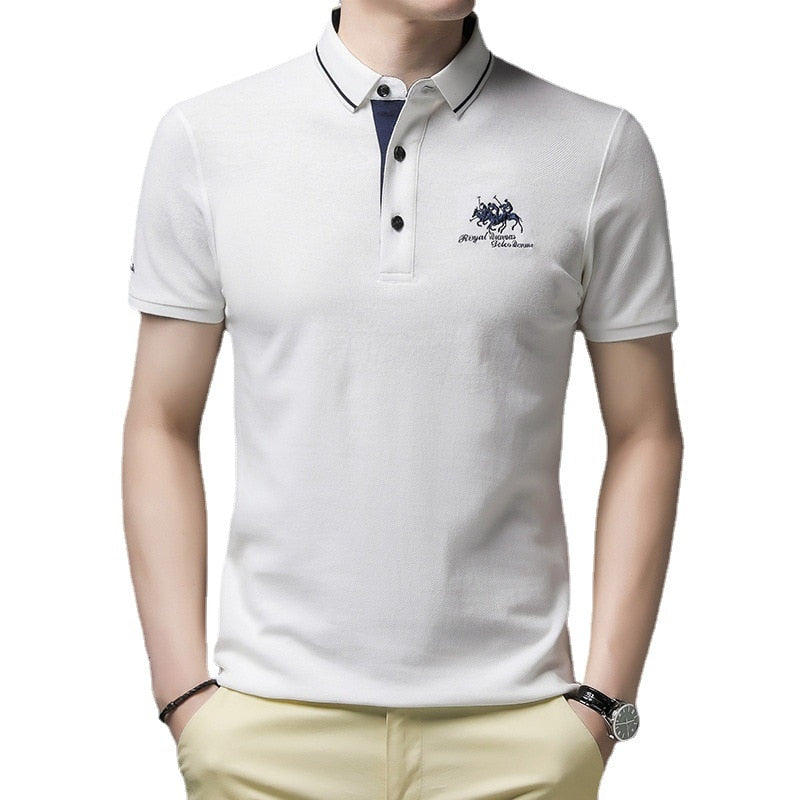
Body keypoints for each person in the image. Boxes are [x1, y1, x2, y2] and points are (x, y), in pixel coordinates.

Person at [121, 1, 683, 798]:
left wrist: (602, 706)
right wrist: (185, 699)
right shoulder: (207, 139)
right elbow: (160, 422)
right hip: (266, 740)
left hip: (519, 741)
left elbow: (646, 431)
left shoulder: (597, 148)